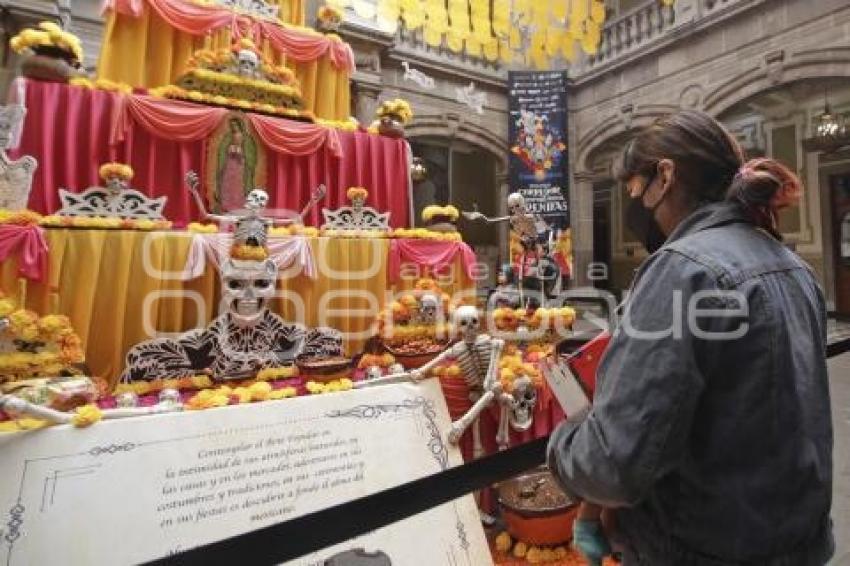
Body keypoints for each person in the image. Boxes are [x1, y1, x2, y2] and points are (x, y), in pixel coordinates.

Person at [547, 110, 834, 565]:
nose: (637, 206)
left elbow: (613, 464)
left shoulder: (683, 268)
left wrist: (562, 443)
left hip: (699, 548)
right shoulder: (793, 265)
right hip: (800, 543)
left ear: (665, 176)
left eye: (636, 192)